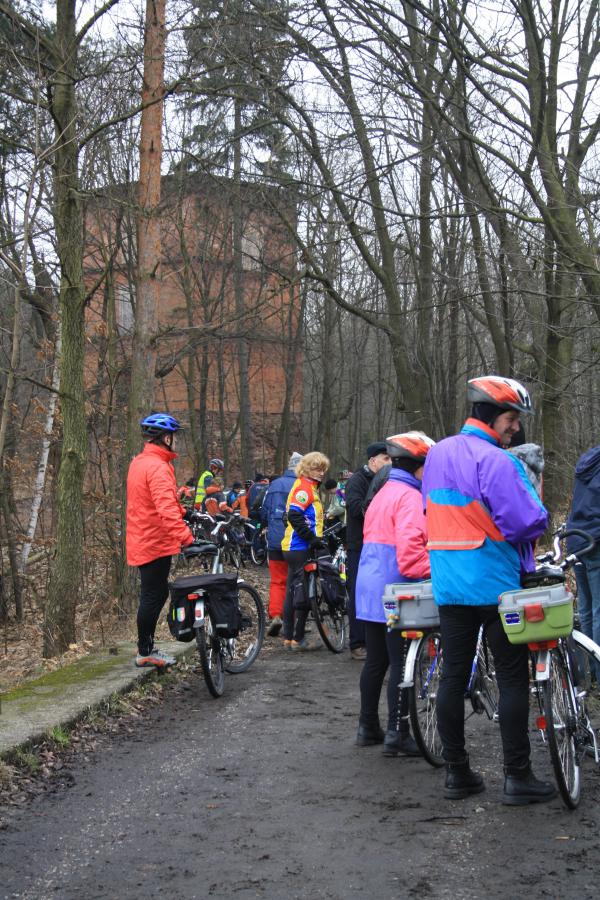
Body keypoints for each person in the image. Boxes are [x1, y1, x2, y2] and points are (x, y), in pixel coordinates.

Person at [422, 375, 556, 805]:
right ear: (492, 414)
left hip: (448, 582)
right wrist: (541, 513)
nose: (515, 427)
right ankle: (517, 776)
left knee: (453, 676)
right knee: (513, 678)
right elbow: (524, 521)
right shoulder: (497, 461)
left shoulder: (437, 454)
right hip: (495, 584)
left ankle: (457, 773)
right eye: (511, 419)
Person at [355, 432, 435, 756]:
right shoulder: (410, 497)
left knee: (376, 660)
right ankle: (397, 732)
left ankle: (367, 726)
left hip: (370, 585)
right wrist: (439, 568)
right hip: (397, 589)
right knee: (402, 664)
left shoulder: (383, 492)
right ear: (418, 465)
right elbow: (411, 557)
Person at [126, 413, 195, 667]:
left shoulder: (141, 461)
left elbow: (155, 501)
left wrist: (184, 512)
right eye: (175, 437)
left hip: (144, 535)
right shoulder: (158, 467)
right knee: (153, 595)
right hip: (153, 540)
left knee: (155, 592)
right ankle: (145, 651)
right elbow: (165, 509)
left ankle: (146, 648)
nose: (177, 441)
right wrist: (187, 538)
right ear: (166, 438)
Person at [344, 442, 392, 660]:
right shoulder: (357, 480)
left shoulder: (388, 480)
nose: (389, 463)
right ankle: (357, 643)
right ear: (373, 461)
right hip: (359, 545)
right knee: (358, 593)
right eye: (385, 459)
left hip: (381, 544)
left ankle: (378, 641)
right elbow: (354, 508)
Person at [281, 451, 330, 650]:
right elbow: (294, 515)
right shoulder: (304, 488)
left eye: (323, 469)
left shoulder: (308, 487)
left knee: (292, 591)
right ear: (306, 469)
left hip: (295, 547)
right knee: (302, 593)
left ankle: (289, 637)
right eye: (317, 469)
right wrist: (311, 538)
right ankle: (297, 639)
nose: (321, 473)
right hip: (299, 547)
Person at [567, 445, 600, 684]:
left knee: (587, 609)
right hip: (595, 540)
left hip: (576, 538)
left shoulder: (589, 461)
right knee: (598, 609)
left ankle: (591, 673)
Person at [260, 451, 303, 636]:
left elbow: (263, 511)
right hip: (295, 541)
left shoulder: (274, 485)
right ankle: (294, 619)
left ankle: (276, 615)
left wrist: (267, 524)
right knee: (297, 580)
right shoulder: (303, 485)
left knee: (278, 581)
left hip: (275, 541)